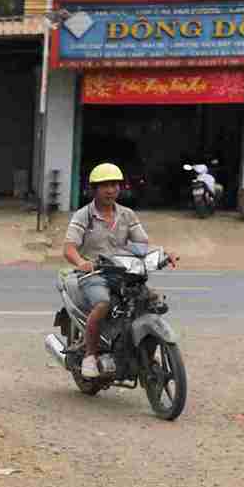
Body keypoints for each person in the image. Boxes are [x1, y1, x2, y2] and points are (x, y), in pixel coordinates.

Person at [63, 162, 177, 380]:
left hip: (124, 273)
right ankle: (89, 355)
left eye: (115, 185)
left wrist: (163, 254)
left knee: (150, 301)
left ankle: (139, 351)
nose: (111, 190)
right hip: (94, 274)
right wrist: (81, 262)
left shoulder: (127, 215)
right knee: (103, 303)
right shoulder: (83, 216)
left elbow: (143, 244)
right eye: (105, 185)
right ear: (94, 189)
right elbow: (68, 248)